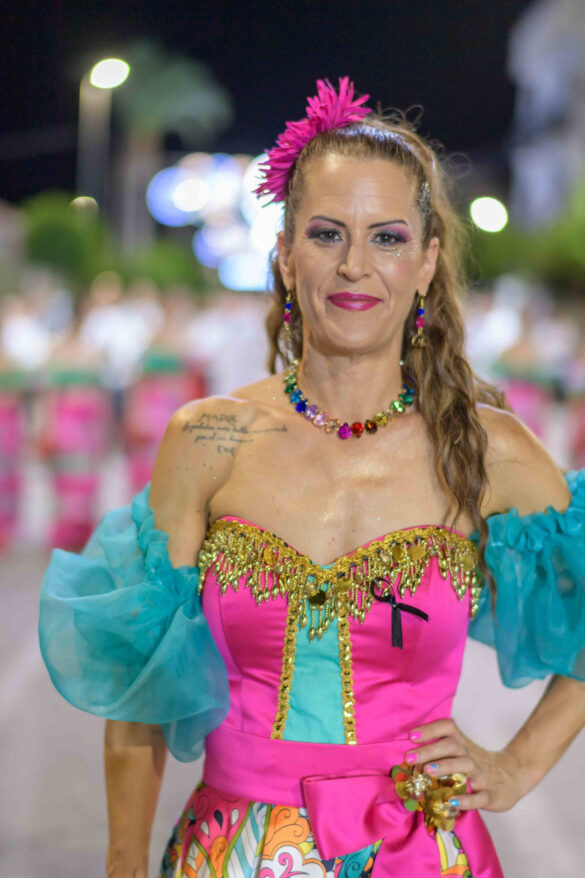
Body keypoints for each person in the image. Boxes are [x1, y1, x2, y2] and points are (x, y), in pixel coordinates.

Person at [39, 78, 585, 878]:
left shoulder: (485, 451)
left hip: (421, 856)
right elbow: (137, 699)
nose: (355, 266)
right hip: (227, 857)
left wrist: (518, 763)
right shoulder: (210, 440)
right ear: (286, 256)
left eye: (387, 238)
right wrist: (124, 864)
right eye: (327, 234)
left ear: (427, 263)